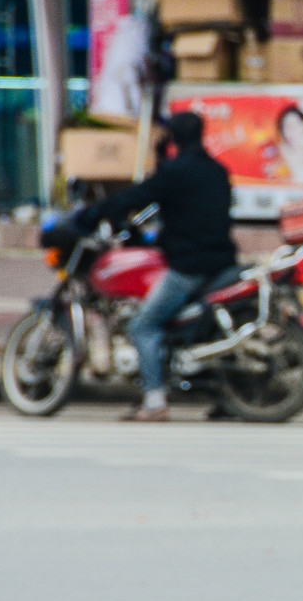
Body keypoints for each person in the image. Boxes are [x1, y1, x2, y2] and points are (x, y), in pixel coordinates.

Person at [76, 111, 237, 422]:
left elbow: (135, 196)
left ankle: (154, 402)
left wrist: (92, 214)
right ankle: (221, 396)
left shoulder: (175, 173)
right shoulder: (217, 170)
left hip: (189, 266)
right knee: (197, 330)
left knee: (143, 326)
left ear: (173, 138)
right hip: (222, 262)